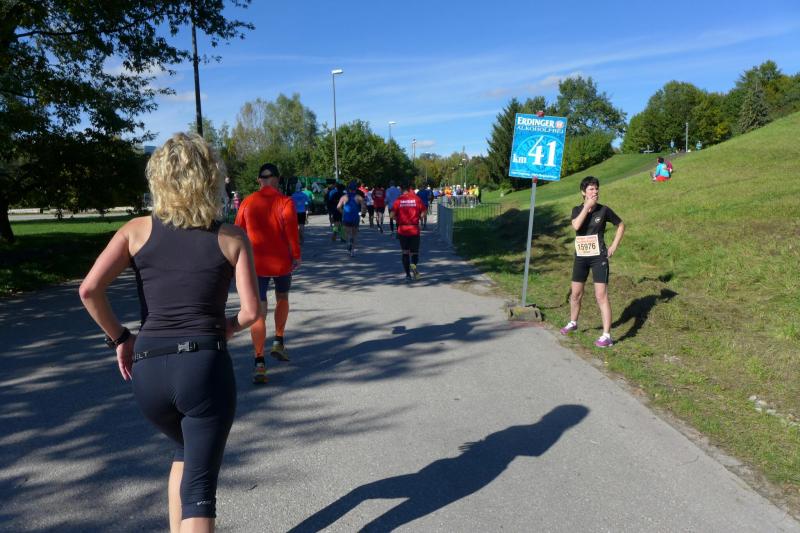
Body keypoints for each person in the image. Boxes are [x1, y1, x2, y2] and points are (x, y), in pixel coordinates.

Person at [79, 132, 260, 532]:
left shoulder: (135, 231)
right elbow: (251, 312)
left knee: (183, 452)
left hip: (149, 372)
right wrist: (226, 329)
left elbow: (89, 290)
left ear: (159, 178)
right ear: (210, 178)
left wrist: (121, 338)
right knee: (200, 490)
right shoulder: (230, 237)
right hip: (202, 369)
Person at [235, 163, 302, 383]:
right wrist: (296, 255)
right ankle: (278, 341)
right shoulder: (285, 202)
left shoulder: (247, 202)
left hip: (256, 264)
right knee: (283, 296)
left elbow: (238, 232)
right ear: (278, 180)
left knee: (259, 310)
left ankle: (259, 362)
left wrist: (237, 260)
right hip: (281, 262)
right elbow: (291, 232)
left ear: (259, 180)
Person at [560, 176, 625, 348]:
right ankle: (573, 322)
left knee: (601, 295)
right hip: (581, 257)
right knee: (575, 294)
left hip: (598, 258)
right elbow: (576, 226)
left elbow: (621, 225)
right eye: (591, 189)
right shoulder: (576, 209)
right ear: (583, 192)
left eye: (596, 188)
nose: (595, 192)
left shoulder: (604, 210)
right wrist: (586, 207)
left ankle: (607, 336)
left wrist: (613, 246)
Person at [391, 180, 427, 282]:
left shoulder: (399, 200)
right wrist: (419, 217)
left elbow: (391, 215)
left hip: (403, 229)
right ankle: (414, 267)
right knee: (414, 253)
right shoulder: (416, 199)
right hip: (414, 229)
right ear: (409, 188)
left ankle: (407, 275)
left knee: (405, 252)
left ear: (401, 189)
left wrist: (398, 220)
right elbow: (424, 211)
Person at [337, 180, 367, 256]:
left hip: (346, 217)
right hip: (355, 217)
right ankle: (352, 251)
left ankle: (348, 242)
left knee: (347, 233)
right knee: (354, 235)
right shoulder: (359, 197)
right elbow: (364, 207)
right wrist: (363, 214)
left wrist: (343, 212)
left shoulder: (344, 197)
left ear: (348, 188)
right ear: (355, 189)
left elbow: (338, 207)